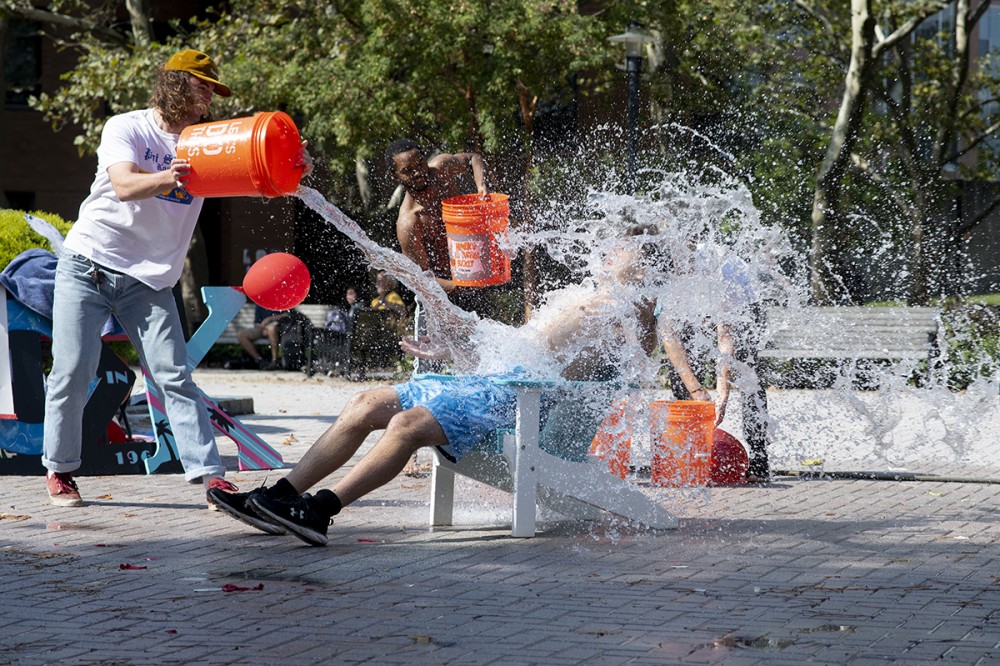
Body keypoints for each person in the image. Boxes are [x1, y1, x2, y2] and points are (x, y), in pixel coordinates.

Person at [208, 228, 661, 545]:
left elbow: (638, 364)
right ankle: (280, 498)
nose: (615, 254)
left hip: (519, 400)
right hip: (491, 382)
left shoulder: (631, 310)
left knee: (406, 424)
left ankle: (320, 510)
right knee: (366, 402)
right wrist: (454, 353)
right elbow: (522, 347)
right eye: (619, 248)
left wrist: (647, 298)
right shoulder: (582, 294)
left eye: (631, 252)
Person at [41, 49, 311, 508]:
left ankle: (211, 476)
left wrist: (293, 163)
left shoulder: (206, 143)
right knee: (73, 370)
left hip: (148, 281)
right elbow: (125, 186)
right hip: (89, 265)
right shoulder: (126, 127)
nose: (208, 96)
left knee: (174, 375)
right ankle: (60, 470)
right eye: (201, 84)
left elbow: (263, 178)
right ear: (174, 83)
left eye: (212, 89)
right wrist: (168, 176)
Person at [656, 244, 771, 481]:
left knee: (748, 373)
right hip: (695, 309)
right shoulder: (663, 273)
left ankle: (759, 457)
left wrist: (722, 394)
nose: (678, 266)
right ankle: (690, 454)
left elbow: (726, 336)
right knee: (682, 375)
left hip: (743, 306)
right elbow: (670, 337)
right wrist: (696, 390)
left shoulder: (720, 268)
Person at [385, 138, 497, 316]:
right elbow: (419, 278)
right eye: (407, 171)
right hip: (440, 301)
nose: (418, 173)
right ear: (395, 176)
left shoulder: (442, 168)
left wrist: (481, 186)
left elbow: (472, 159)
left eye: (419, 164)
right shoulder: (409, 222)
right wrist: (458, 285)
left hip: (473, 281)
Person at [233, 304, 288, 370]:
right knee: (241, 334)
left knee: (271, 328)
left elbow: (286, 315)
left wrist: (270, 318)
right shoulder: (260, 303)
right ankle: (259, 360)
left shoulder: (281, 301)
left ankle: (274, 360)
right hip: (262, 329)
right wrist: (263, 329)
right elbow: (257, 323)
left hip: (278, 330)